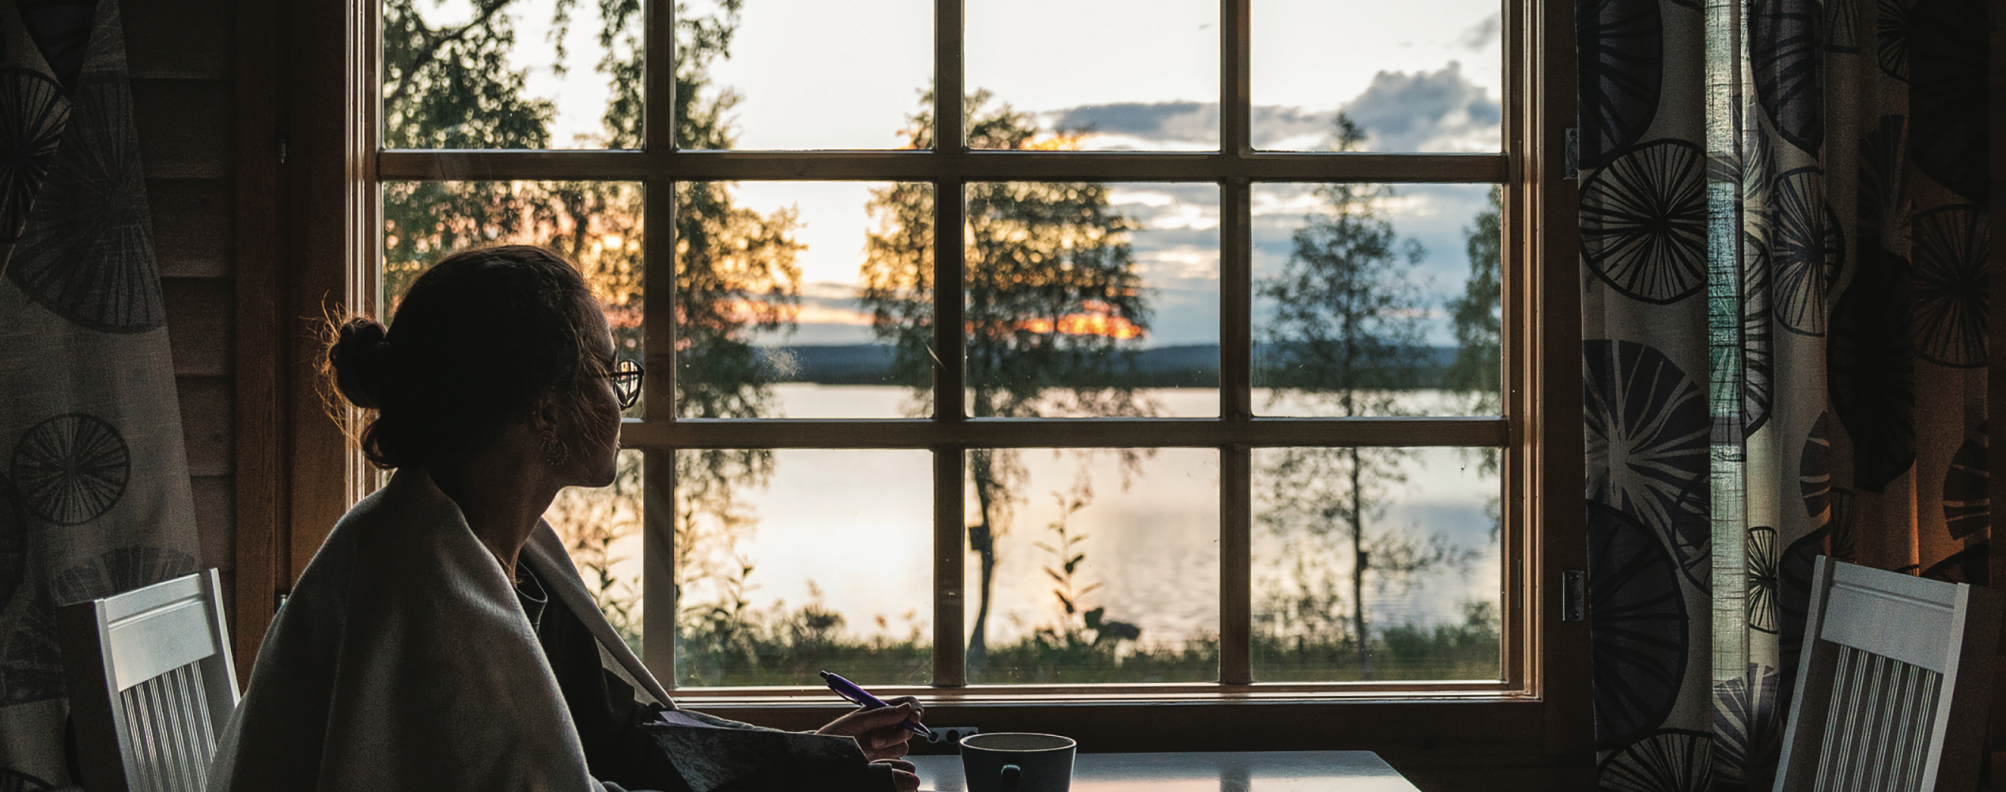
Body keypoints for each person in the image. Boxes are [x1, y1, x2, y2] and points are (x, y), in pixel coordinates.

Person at [207, 245, 925, 792]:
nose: (622, 401)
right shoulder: (428, 597)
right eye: (609, 374)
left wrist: (807, 759)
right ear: (544, 409)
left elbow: (616, 737)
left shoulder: (485, 546)